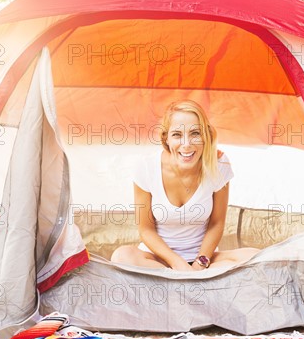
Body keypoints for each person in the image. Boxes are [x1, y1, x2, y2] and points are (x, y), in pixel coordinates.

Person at [111, 100, 259, 271]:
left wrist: (200, 263)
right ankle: (190, 282)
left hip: (204, 261)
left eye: (195, 133)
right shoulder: (146, 168)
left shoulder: (219, 165)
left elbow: (216, 223)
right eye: (177, 135)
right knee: (122, 257)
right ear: (166, 138)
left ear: (205, 136)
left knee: (257, 258)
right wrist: (177, 264)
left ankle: (185, 282)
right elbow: (146, 229)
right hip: (160, 261)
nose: (187, 144)